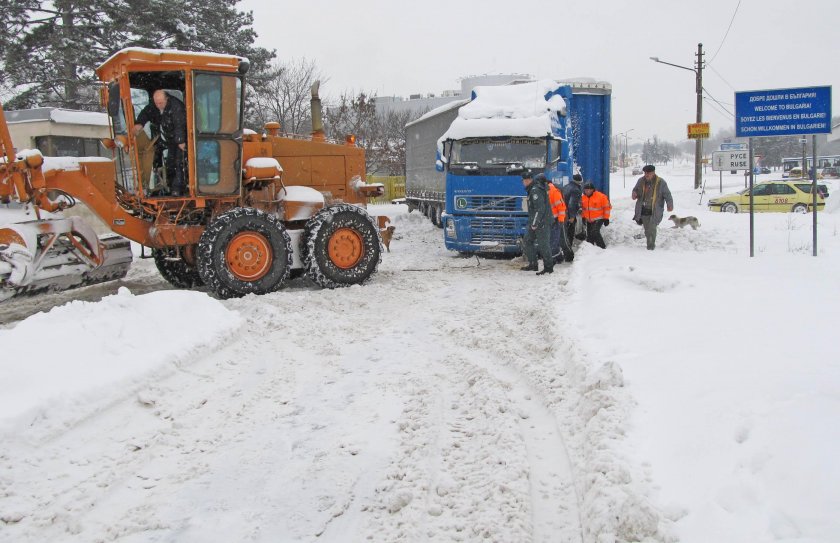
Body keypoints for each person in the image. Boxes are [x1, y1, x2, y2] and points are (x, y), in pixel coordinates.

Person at [133, 89, 187, 196]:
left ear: (167, 99)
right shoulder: (156, 105)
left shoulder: (176, 107)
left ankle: (177, 190)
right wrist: (140, 123)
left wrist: (181, 141)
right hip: (170, 140)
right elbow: (146, 112)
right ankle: (169, 187)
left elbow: (179, 124)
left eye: (160, 103)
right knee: (170, 164)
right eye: (156, 103)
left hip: (180, 140)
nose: (158, 106)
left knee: (179, 163)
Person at [631, 164, 673, 250]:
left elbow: (667, 195)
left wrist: (670, 204)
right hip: (643, 209)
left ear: (653, 172)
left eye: (648, 173)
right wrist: (634, 193)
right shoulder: (641, 181)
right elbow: (635, 189)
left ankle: (650, 248)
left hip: (655, 210)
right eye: (645, 173)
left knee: (651, 228)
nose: (646, 175)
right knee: (647, 229)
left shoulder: (661, 182)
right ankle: (649, 244)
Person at [520, 171, 554, 275]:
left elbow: (540, 209)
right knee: (527, 240)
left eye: (525, 181)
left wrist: (535, 223)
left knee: (544, 245)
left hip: (542, 221)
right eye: (523, 181)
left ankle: (548, 267)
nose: (523, 183)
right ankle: (533, 264)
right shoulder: (532, 189)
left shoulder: (535, 190)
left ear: (529, 180)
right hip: (535, 221)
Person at [547, 180, 573, 263]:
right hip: (555, 219)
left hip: (560, 218)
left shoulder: (554, 191)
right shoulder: (549, 190)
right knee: (556, 239)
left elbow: (561, 207)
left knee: (562, 238)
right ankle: (559, 257)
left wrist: (561, 220)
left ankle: (569, 256)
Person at [580, 182, 612, 249]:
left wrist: (606, 218)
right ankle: (590, 249)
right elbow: (583, 209)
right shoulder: (583, 198)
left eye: (589, 189)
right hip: (589, 220)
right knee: (589, 236)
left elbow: (607, 207)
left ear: (593, 190)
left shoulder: (601, 196)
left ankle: (602, 247)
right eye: (586, 190)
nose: (588, 191)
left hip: (599, 219)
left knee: (595, 232)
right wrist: (583, 217)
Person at [561, 173, 583, 251]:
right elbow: (571, 204)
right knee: (570, 232)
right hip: (569, 214)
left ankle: (563, 247)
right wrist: (572, 217)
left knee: (564, 232)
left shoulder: (566, 187)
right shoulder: (576, 190)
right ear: (579, 182)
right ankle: (568, 248)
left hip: (562, 213)